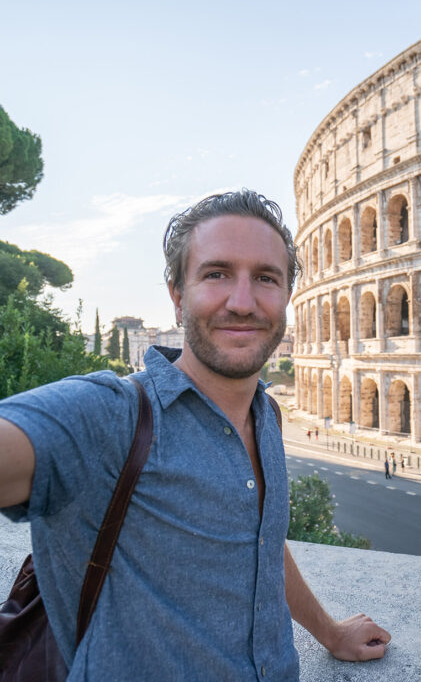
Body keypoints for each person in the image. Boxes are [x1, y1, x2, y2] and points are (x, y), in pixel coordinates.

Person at [0, 190, 390, 680]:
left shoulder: (266, 413)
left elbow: (261, 543)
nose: (243, 302)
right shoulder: (111, 415)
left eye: (266, 278)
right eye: (216, 274)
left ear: (288, 296)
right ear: (178, 296)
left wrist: (329, 632)